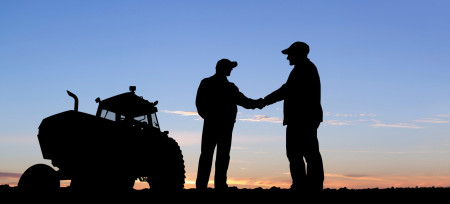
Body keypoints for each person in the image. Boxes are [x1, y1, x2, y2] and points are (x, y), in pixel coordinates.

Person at [258, 42, 324, 192]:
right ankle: (308, 185)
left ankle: (306, 186)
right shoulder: (303, 68)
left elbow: (285, 90)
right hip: (305, 117)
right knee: (306, 152)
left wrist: (263, 101)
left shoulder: (304, 69)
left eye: (290, 54)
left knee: (300, 153)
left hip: (302, 118)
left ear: (298, 54)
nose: (288, 57)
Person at [195, 58, 259, 191]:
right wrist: (258, 103)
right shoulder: (217, 85)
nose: (231, 70)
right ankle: (210, 186)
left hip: (220, 125)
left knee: (217, 156)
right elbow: (200, 104)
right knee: (213, 156)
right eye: (229, 67)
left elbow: (244, 101)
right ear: (222, 68)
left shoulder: (225, 86)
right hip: (219, 126)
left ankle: (211, 186)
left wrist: (257, 103)